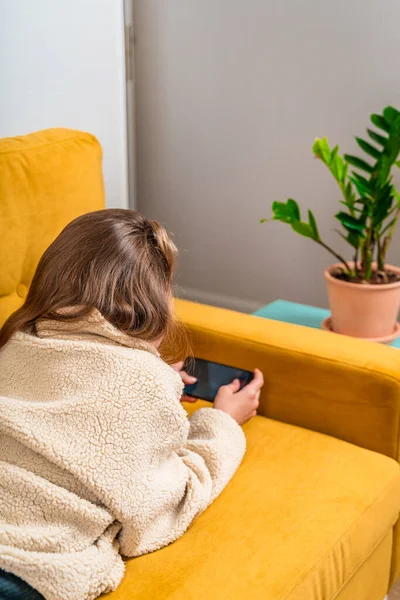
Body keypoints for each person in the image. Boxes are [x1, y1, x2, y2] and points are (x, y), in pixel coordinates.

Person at [0, 209, 264, 600]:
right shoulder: (141, 382)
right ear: (152, 301)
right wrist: (223, 421)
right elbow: (159, 511)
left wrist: (147, 374)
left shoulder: (16, 343)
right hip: (24, 571)